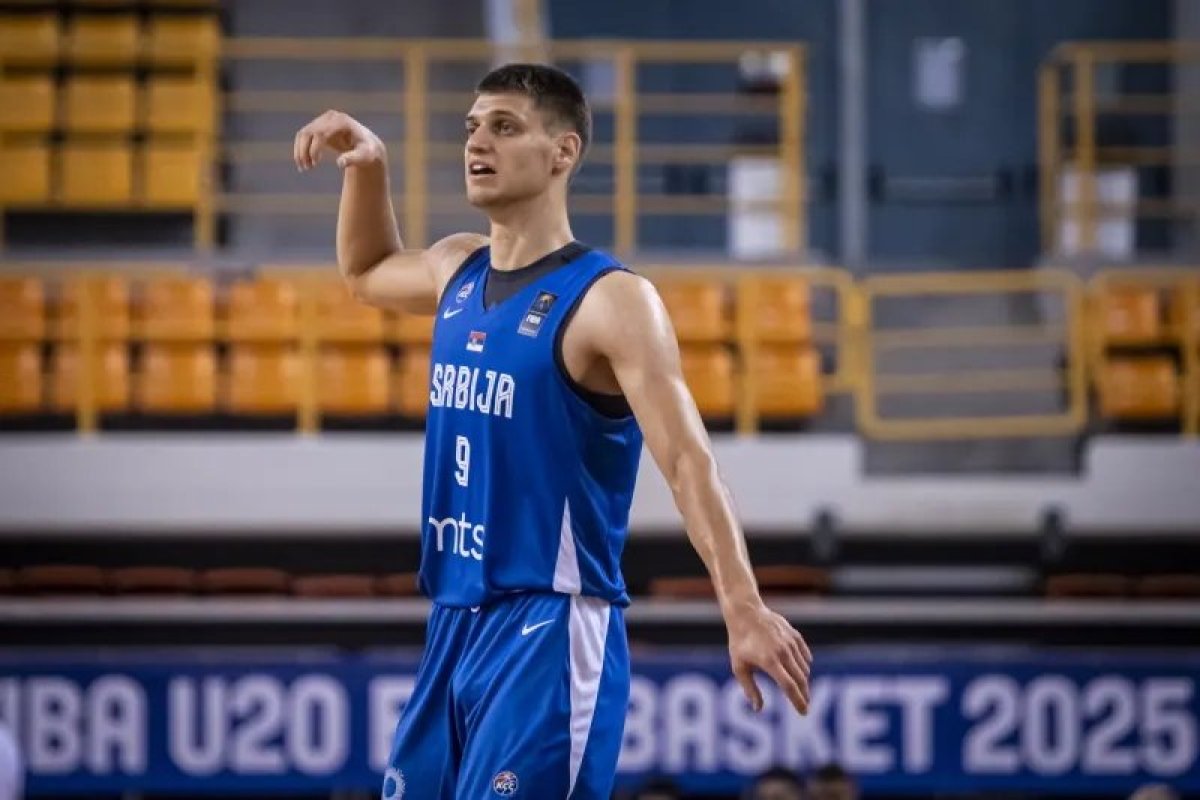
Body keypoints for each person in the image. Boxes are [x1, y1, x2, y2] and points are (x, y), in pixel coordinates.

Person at [294, 62, 813, 799]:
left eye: (505, 127)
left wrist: (742, 603)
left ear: (563, 152)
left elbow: (687, 460)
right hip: (454, 620)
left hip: (551, 626)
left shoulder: (611, 299)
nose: (478, 142)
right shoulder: (455, 267)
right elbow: (366, 271)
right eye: (473, 127)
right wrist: (368, 166)